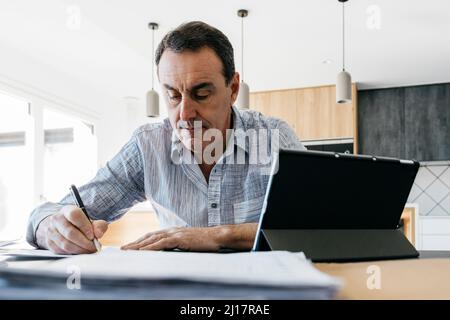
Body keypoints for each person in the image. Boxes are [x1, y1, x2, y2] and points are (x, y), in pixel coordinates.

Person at [26, 21, 305, 254]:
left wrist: (218, 236)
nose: (184, 114)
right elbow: (56, 210)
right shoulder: (148, 146)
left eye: (202, 94)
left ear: (232, 88)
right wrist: (50, 225)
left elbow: (319, 226)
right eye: (172, 95)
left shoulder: (273, 138)